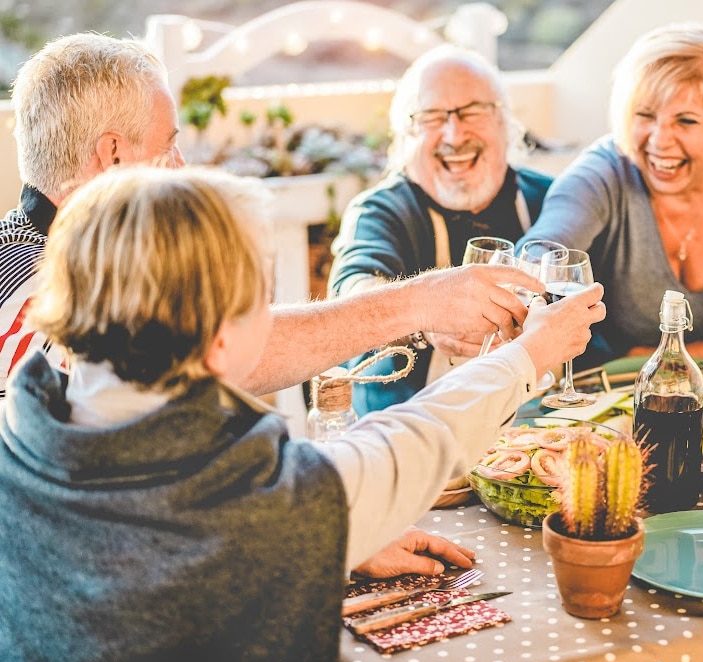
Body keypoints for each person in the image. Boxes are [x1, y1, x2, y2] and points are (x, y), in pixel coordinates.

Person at [0, 165, 605, 662]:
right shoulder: (260, 503)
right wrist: (529, 355)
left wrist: (327, 542)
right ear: (219, 341)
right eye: (259, 301)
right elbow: (411, 443)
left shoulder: (18, 437)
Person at [0, 33, 540, 405]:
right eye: (168, 148)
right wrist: (422, 302)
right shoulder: (36, 302)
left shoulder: (81, 264)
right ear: (114, 155)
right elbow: (218, 357)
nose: (181, 168)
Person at [516, 23, 703, 366]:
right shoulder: (602, 172)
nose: (659, 140)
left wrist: (660, 359)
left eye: (686, 121)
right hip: (614, 384)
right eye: (644, 114)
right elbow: (543, 248)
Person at [328, 44, 554, 415]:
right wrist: (425, 314)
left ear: (505, 123)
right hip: (410, 429)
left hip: (539, 428)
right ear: (405, 135)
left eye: (473, 111)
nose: (454, 135)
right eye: (431, 117)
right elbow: (351, 292)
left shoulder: (548, 197)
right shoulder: (379, 211)